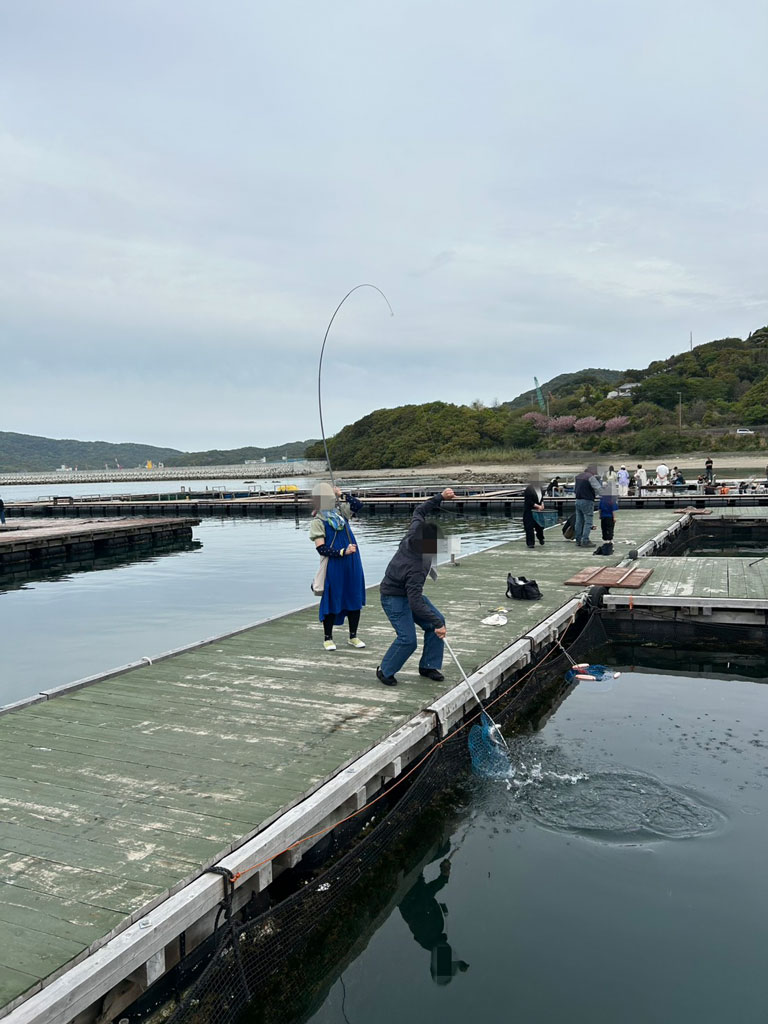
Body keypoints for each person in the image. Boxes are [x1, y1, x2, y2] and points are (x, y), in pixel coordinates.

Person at [377, 489, 455, 686]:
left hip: (408, 593)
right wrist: (438, 624)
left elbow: (419, 510)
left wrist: (440, 498)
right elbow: (415, 602)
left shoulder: (415, 530)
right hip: (393, 597)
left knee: (436, 621)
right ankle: (385, 671)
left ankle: (428, 665)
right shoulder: (416, 567)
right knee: (408, 639)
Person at [399, 846, 469, 986]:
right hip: (415, 878)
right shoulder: (436, 931)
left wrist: (443, 878)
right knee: (444, 847)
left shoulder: (427, 935)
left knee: (441, 847)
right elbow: (425, 896)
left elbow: (422, 898)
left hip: (407, 879)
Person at [309, 483, 366, 651]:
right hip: (335, 564)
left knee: (354, 596)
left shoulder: (341, 514)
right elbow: (321, 548)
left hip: (353, 561)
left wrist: (342, 494)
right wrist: (342, 552)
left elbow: (358, 505)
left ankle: (353, 636)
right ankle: (328, 638)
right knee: (333, 598)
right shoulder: (318, 521)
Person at [573, 465, 601, 548]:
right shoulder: (590, 477)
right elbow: (598, 488)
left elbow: (575, 489)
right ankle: (585, 540)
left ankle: (578, 540)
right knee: (588, 521)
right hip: (587, 500)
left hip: (578, 500)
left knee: (579, 521)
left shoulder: (578, 476)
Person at [522, 479, 545, 548]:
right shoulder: (528, 489)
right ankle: (530, 543)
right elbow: (528, 501)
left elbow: (541, 499)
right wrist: (538, 506)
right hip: (530, 510)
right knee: (529, 527)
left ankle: (541, 538)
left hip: (538, 511)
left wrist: (542, 505)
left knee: (540, 526)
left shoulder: (540, 488)